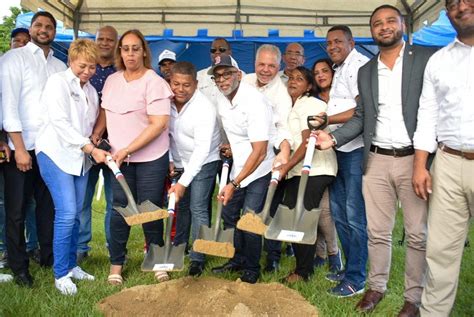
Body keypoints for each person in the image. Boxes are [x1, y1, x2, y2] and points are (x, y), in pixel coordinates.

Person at [316, 5, 435, 313]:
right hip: (376, 159)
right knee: (377, 232)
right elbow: (362, 116)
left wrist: (427, 161)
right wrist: (335, 137)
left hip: (414, 158)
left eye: (390, 21)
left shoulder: (424, 60)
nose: (384, 27)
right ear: (371, 31)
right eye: (377, 24)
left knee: (417, 233)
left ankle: (413, 298)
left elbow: (434, 111)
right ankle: (375, 288)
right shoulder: (367, 71)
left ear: (402, 25)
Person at [413, 0, 474, 315]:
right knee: (440, 251)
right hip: (447, 162)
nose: (461, 7)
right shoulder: (438, 61)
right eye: (452, 4)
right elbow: (427, 116)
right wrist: (421, 164)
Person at [36, 38, 109, 295]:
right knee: (66, 213)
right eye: (82, 66)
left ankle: (72, 264)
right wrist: (90, 148)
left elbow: (87, 126)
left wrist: (94, 141)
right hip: (54, 153)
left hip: (79, 158)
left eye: (92, 67)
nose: (87, 71)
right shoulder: (57, 83)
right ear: (71, 61)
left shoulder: (90, 90)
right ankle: (61, 274)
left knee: (77, 212)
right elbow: (60, 123)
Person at [100, 29, 173, 285]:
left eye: (135, 48)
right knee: (120, 211)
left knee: (150, 209)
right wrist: (96, 136)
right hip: (119, 159)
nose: (130, 53)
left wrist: (127, 149)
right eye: (125, 48)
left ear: (144, 51)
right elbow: (105, 113)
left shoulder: (154, 81)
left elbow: (159, 124)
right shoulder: (112, 81)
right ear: (120, 52)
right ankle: (117, 265)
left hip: (150, 159)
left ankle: (157, 261)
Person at [0, 11, 67, 287]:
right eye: (39, 25)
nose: (44, 30)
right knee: (16, 211)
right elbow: (9, 106)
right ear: (30, 29)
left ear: (53, 32)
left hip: (50, 150)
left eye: (49, 26)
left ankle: (48, 256)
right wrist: (18, 148)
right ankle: (19, 267)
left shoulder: (60, 66)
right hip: (22, 148)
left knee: (47, 208)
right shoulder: (13, 59)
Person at [209, 55, 275, 284]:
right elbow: (239, 135)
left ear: (238, 75)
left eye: (227, 74)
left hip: (259, 168)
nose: (222, 80)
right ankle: (237, 258)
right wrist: (231, 147)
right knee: (229, 214)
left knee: (249, 219)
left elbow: (260, 150)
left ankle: (252, 268)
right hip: (239, 166)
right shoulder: (222, 99)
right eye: (217, 76)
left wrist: (234, 183)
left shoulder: (254, 101)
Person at [274, 66, 336, 282]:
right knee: (294, 215)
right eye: (291, 78)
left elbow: (308, 140)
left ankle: (303, 271)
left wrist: (287, 166)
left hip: (316, 169)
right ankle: (306, 265)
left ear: (309, 85)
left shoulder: (311, 104)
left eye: (300, 79)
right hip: (299, 170)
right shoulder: (293, 105)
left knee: (300, 217)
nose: (293, 81)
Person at [322, 24, 369, 297]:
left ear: (351, 42)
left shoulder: (359, 65)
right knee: (340, 213)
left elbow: (360, 109)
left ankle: (357, 278)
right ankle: (348, 268)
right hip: (338, 147)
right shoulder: (340, 68)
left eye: (338, 41)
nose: (332, 47)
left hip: (355, 149)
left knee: (354, 215)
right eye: (329, 43)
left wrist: (328, 120)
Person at [242, 44, 292, 272]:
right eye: (261, 64)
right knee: (239, 209)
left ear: (279, 67)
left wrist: (283, 151)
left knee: (266, 208)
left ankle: (271, 255)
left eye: (271, 66)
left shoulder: (282, 93)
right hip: (242, 154)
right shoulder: (245, 82)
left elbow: (283, 128)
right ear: (254, 64)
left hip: (267, 158)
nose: (265, 70)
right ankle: (239, 255)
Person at [168, 61, 221, 277]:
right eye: (176, 84)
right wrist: (171, 160)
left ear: (196, 84)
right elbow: (166, 135)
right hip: (180, 160)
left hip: (205, 160)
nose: (180, 89)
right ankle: (180, 248)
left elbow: (202, 150)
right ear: (169, 81)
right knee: (182, 207)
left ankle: (198, 258)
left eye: (186, 85)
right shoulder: (166, 102)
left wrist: (182, 183)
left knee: (197, 207)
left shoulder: (204, 108)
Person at [77, 25, 118, 262]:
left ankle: (114, 246)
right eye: (100, 39)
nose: (104, 43)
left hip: (114, 145)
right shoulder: (85, 70)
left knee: (114, 200)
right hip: (86, 144)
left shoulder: (119, 72)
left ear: (115, 44)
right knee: (84, 196)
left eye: (109, 40)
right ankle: (81, 247)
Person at [0, 27, 40, 270]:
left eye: (27, 42)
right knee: (9, 206)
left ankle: (31, 247)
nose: (22, 45)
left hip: (25, 145)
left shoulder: (31, 71)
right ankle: (9, 254)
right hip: (10, 148)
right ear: (11, 44)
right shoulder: (4, 66)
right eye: (18, 41)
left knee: (30, 204)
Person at [311, 58, 342, 272]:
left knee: (333, 209)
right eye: (317, 72)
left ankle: (334, 252)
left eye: (325, 70)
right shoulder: (312, 100)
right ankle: (322, 253)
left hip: (344, 155)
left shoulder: (342, 97)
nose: (321, 75)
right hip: (320, 159)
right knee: (320, 209)